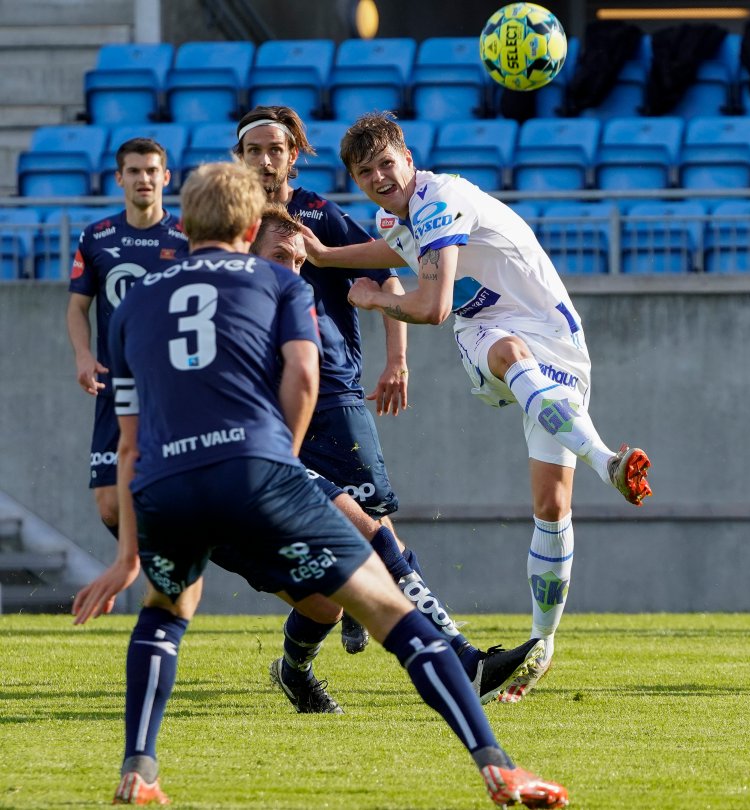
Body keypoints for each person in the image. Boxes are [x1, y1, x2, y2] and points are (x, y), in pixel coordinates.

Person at [70, 162, 568, 809]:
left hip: (167, 484)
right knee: (390, 608)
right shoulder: (278, 281)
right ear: (249, 227)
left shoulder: (133, 302)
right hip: (256, 471)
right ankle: (496, 766)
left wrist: (126, 556)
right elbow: (304, 379)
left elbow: (129, 441)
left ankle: (138, 770)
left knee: (165, 613)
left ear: (183, 224)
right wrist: (279, 461)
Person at [300, 112, 653, 702]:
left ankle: (540, 646)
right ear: (356, 180)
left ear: (408, 158)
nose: (380, 178)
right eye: (365, 173)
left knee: (552, 506)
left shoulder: (442, 199)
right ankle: (607, 461)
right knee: (508, 351)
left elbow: (432, 306)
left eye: (386, 163)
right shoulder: (396, 216)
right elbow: (394, 251)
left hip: (557, 337)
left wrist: (371, 298)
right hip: (488, 332)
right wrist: (326, 258)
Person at [244, 205, 544, 711]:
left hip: (290, 452)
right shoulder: (223, 312)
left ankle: (297, 672)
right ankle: (462, 664)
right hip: (231, 483)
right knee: (367, 548)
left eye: (299, 261)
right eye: (280, 258)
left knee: (336, 592)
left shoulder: (301, 274)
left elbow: (384, 272)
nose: (294, 271)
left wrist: (391, 350)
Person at [232, 104, 404, 656]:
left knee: (372, 522)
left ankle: (430, 639)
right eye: (254, 150)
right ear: (239, 157)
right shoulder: (228, 224)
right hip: (262, 403)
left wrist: (397, 360)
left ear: (293, 157)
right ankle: (326, 631)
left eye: (275, 150)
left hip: (330, 394)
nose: (265, 160)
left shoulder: (317, 215)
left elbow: (387, 277)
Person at [65, 137, 188, 539]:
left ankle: (160, 570)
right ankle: (155, 562)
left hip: (172, 386)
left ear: (166, 177)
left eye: (152, 171)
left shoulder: (188, 237)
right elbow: (77, 307)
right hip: (115, 385)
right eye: (134, 171)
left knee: (170, 493)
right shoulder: (96, 236)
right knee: (109, 505)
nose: (143, 179)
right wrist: (83, 355)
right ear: (119, 178)